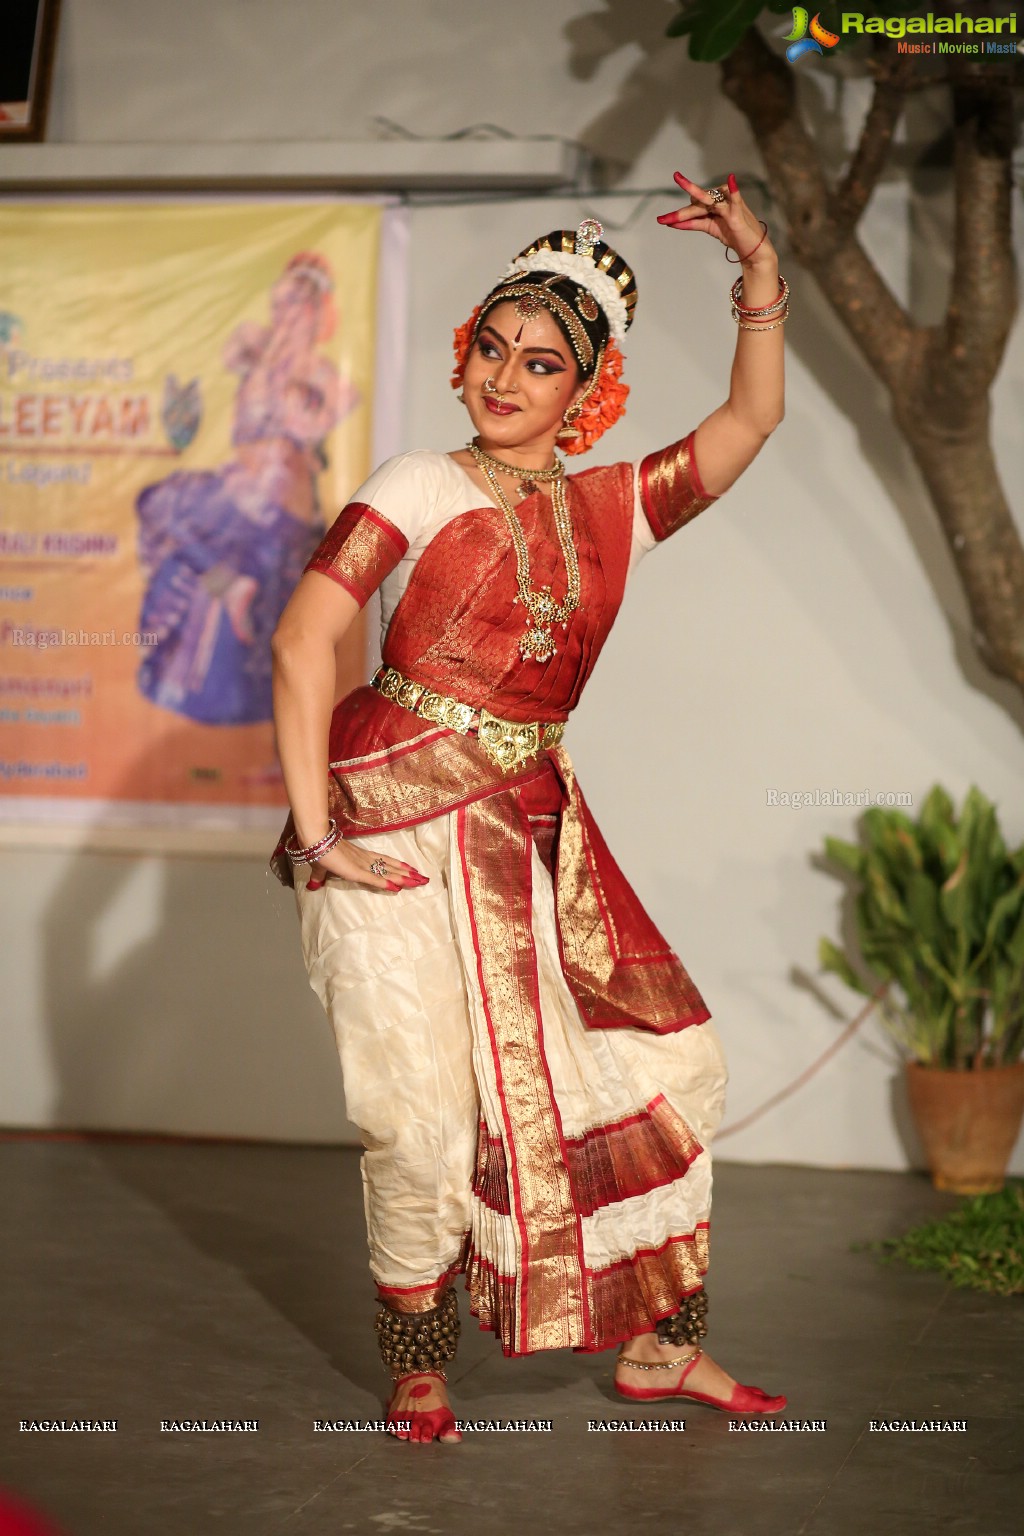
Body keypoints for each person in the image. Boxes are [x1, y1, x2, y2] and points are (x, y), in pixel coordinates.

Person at [270, 173, 788, 1444]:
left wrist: (759, 270)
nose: (506, 378)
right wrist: (321, 841)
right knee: (417, 1121)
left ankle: (664, 1351)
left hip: (530, 843)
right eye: (491, 348)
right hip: (388, 829)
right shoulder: (417, 480)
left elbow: (749, 420)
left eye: (541, 362)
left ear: (586, 391)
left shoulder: (612, 510)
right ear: (466, 358)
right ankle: (416, 1364)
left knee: (672, 1066)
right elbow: (301, 645)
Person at [136, 252, 356, 725]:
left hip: (279, 511)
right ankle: (229, 585)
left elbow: (311, 422)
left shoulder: (327, 380)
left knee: (172, 514)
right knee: (159, 505)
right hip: (236, 494)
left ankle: (233, 588)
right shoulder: (258, 361)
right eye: (278, 304)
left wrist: (286, 377)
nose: (282, 315)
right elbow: (236, 393)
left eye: (295, 304)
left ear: (318, 310)